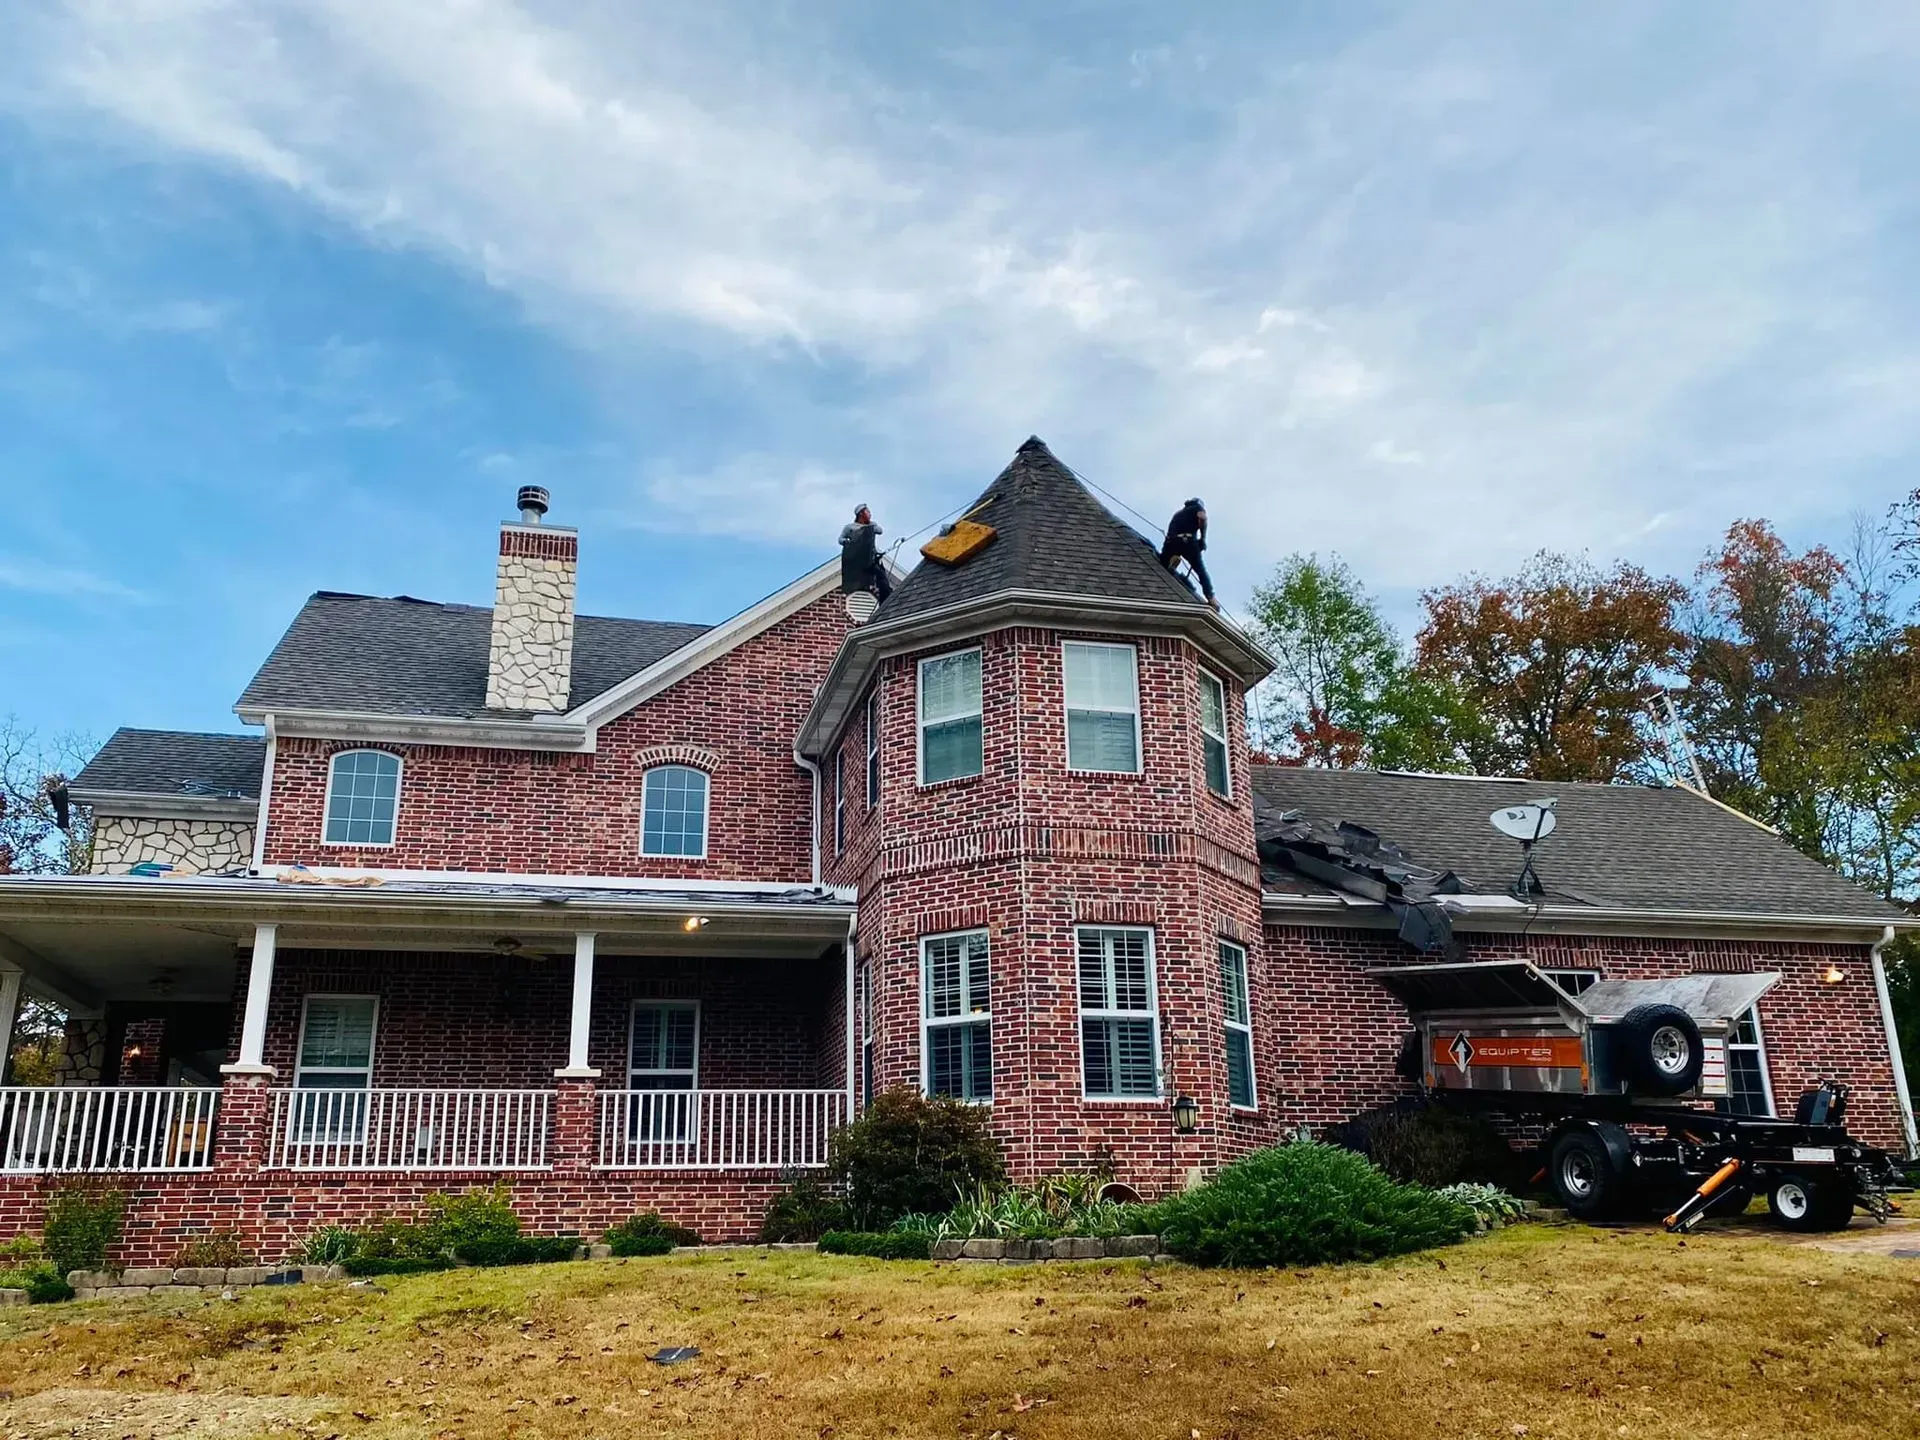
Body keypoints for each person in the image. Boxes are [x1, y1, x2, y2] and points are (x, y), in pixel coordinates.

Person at [1160, 497, 1217, 608]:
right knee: (1200, 570)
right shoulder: (1198, 507)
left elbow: (1170, 533)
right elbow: (1202, 518)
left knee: (1162, 562)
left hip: (1172, 542)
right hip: (1188, 542)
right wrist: (1203, 539)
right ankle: (1211, 597)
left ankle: (1172, 562)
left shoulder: (1178, 514)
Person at [839, 504, 892, 602]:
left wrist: (869, 526)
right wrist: (847, 542)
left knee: (881, 576)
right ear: (861, 514)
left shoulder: (871, 525)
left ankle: (885, 598)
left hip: (870, 559)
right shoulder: (850, 527)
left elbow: (880, 531)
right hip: (858, 559)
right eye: (867, 512)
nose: (870, 514)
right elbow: (840, 539)